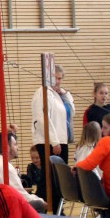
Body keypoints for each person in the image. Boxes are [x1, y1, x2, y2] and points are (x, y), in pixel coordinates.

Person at [31, 66, 71, 209]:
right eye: (56, 78)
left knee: (59, 180)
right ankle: (44, 207)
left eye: (60, 78)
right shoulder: (42, 93)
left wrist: (65, 94)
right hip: (48, 141)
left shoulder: (58, 95)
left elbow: (72, 111)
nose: (58, 81)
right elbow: (42, 119)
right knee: (50, 178)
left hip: (61, 139)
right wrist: (53, 141)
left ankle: (57, 208)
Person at [0, 131, 45, 212]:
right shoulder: (7, 167)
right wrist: (41, 200)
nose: (18, 148)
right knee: (39, 204)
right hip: (4, 207)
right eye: (15, 144)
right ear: (7, 147)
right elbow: (22, 196)